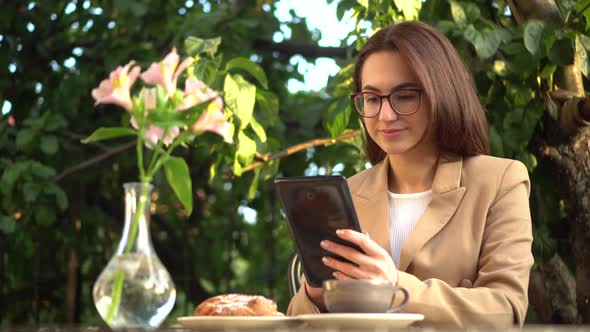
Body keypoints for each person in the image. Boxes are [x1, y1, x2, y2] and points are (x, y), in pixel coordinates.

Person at [286, 21, 534, 328]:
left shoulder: (500, 180)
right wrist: (314, 298)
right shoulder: (347, 193)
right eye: (373, 99)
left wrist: (394, 287)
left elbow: (506, 312)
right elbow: (298, 322)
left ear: (441, 92)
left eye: (404, 96)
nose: (386, 115)